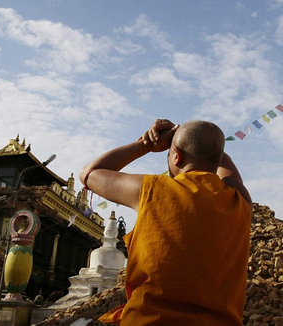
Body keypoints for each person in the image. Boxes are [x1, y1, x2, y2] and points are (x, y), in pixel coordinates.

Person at [79, 118, 252, 326]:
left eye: (170, 153)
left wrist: (146, 145)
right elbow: (223, 165)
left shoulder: (151, 189)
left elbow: (89, 173)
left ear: (176, 157)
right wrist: (205, 146)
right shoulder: (239, 201)